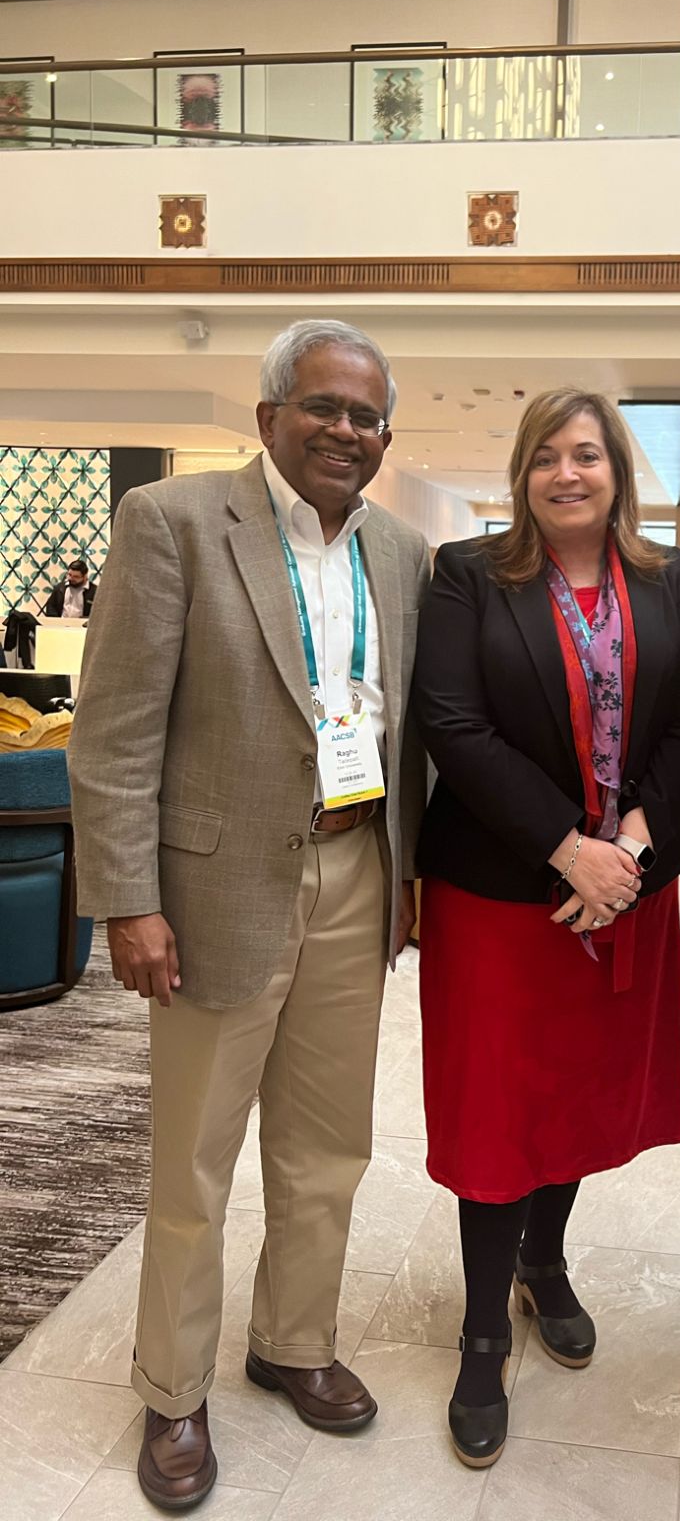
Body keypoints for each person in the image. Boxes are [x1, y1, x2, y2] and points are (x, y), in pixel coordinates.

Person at [68, 319, 429, 1511]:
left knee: (327, 1153)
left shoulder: (403, 554)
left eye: (368, 417)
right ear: (269, 414)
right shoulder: (174, 523)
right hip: (216, 890)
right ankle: (173, 1390)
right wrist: (128, 901)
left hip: (356, 874)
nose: (346, 431)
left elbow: (402, 729)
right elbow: (117, 730)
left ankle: (293, 1342)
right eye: (323, 407)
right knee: (195, 1166)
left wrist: (409, 873)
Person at [412, 388, 680, 1469]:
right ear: (521, 473)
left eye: (585, 453)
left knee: (579, 1090)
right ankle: (484, 1332)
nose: (566, 473)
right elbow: (452, 722)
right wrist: (566, 846)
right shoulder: (469, 576)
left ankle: (547, 1261)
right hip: (502, 892)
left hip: (624, 887)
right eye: (545, 455)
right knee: (501, 1103)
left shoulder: (668, 577)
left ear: (617, 469)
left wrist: (626, 851)